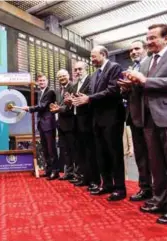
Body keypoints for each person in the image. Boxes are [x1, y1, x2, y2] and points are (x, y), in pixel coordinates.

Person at [120, 24, 167, 224]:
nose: (148, 42)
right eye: (147, 38)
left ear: (166, 38)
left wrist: (144, 80)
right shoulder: (146, 62)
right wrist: (131, 85)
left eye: (153, 38)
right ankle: (159, 200)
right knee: (156, 164)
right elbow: (142, 86)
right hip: (149, 119)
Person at [73, 45, 126, 201]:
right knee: (101, 154)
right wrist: (81, 97)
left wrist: (89, 98)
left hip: (112, 118)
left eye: (94, 56)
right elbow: (92, 94)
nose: (92, 59)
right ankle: (107, 184)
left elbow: (113, 90)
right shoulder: (95, 74)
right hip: (97, 119)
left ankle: (120, 188)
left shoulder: (114, 67)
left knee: (114, 154)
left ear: (103, 54)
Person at [124, 40, 152, 201]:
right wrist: (125, 88)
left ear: (145, 49)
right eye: (131, 49)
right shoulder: (132, 68)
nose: (133, 52)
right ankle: (145, 188)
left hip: (149, 116)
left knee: (154, 156)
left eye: (137, 48)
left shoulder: (150, 64)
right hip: (134, 116)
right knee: (141, 156)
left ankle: (159, 191)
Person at [68, 61, 100, 190]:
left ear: (86, 69)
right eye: (75, 70)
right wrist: (69, 101)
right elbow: (74, 101)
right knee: (80, 152)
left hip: (88, 121)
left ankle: (94, 180)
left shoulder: (91, 81)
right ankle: (84, 178)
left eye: (80, 69)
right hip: (76, 121)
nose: (77, 72)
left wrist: (85, 100)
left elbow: (92, 98)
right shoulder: (75, 85)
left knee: (90, 152)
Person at [20, 73, 58, 179]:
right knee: (45, 149)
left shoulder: (50, 92)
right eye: (40, 81)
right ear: (37, 82)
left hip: (49, 124)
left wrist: (29, 108)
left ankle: (55, 171)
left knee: (51, 149)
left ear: (47, 81)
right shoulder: (40, 92)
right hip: (42, 124)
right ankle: (48, 170)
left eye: (43, 80)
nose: (41, 82)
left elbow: (43, 106)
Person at [49, 69, 75, 180]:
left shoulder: (73, 87)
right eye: (59, 77)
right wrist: (55, 108)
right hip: (61, 124)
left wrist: (59, 109)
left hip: (71, 124)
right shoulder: (58, 90)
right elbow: (59, 105)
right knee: (65, 150)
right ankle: (68, 172)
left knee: (73, 150)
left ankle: (76, 173)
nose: (62, 78)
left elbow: (72, 105)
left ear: (68, 76)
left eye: (63, 76)